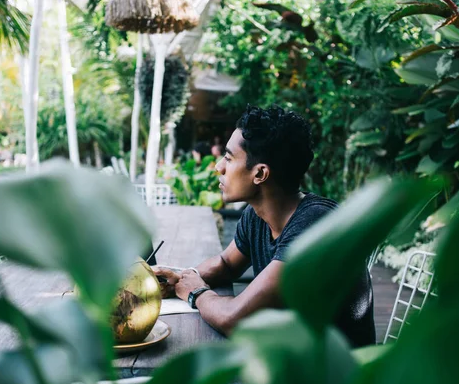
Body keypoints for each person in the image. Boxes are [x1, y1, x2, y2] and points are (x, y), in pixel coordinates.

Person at [154, 105, 375, 347]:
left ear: (260, 174)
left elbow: (235, 320)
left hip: (333, 378)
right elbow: (226, 264)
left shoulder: (314, 226)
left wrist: (196, 292)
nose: (219, 167)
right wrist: (182, 277)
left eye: (228, 158)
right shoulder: (257, 215)